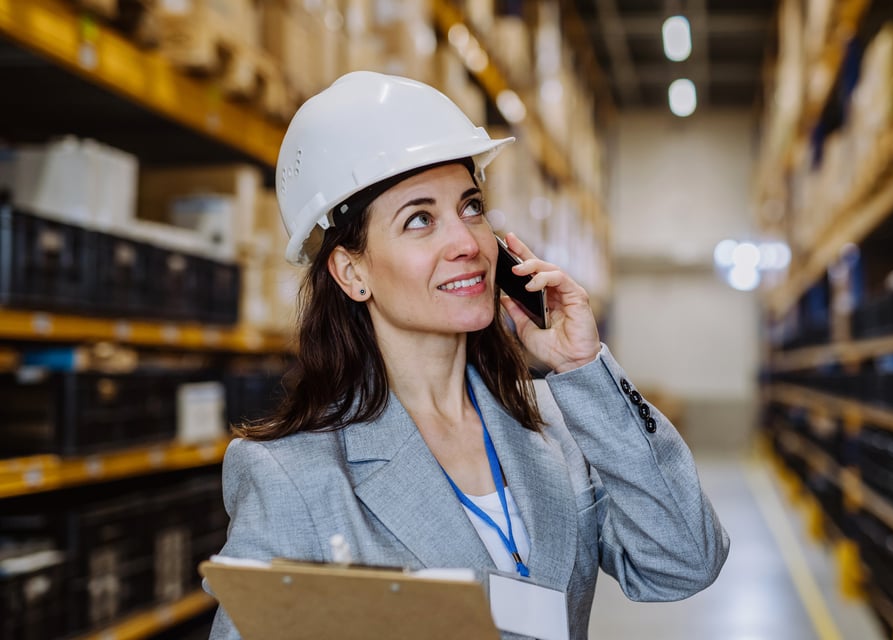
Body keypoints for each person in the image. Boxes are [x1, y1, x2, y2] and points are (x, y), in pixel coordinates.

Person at [207, 71, 729, 639]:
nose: (467, 243)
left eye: (472, 207)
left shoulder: (555, 424)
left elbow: (684, 563)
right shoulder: (293, 475)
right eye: (420, 220)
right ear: (352, 271)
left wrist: (583, 369)